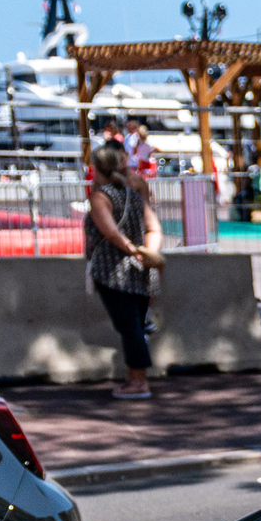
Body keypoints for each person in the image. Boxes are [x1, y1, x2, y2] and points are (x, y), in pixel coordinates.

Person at [84, 140, 164, 399]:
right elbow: (153, 227)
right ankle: (137, 377)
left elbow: (110, 232)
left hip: (113, 272)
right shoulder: (132, 193)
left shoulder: (100, 197)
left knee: (129, 328)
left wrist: (131, 249)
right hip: (142, 270)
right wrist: (148, 253)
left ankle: (138, 381)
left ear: (97, 168)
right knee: (136, 326)